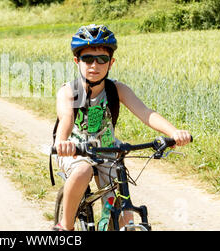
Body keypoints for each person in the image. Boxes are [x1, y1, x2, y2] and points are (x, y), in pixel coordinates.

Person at [53, 24, 192, 231]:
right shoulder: (68, 91)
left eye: (102, 59)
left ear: (111, 63)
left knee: (124, 216)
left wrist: (173, 133)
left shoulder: (117, 89)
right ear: (77, 61)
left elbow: (146, 113)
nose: (94, 65)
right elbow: (67, 117)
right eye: (88, 58)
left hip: (109, 150)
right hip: (75, 150)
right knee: (82, 171)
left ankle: (114, 223)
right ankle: (65, 227)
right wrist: (62, 143)